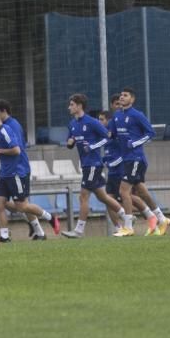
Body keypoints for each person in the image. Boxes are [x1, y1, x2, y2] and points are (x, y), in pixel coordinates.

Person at [0, 107, 58, 242]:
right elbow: (5, 149)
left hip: (15, 174)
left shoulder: (6, 130)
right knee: (0, 203)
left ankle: (50, 217)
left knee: (22, 206)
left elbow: (16, 150)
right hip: (3, 174)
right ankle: (4, 237)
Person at [108, 87, 170, 237]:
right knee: (142, 192)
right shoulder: (117, 116)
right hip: (127, 159)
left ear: (132, 99)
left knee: (124, 191)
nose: (122, 97)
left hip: (136, 158)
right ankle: (162, 219)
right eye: (121, 95)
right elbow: (112, 134)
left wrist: (134, 143)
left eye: (125, 95)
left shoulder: (137, 115)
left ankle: (128, 227)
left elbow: (151, 133)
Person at [64, 94, 126, 238]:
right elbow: (70, 140)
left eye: (72, 104)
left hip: (93, 164)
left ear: (79, 106)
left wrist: (92, 146)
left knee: (83, 196)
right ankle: (128, 217)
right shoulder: (72, 123)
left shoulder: (91, 122)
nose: (69, 107)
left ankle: (78, 231)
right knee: (103, 196)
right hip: (85, 165)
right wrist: (70, 142)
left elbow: (108, 137)